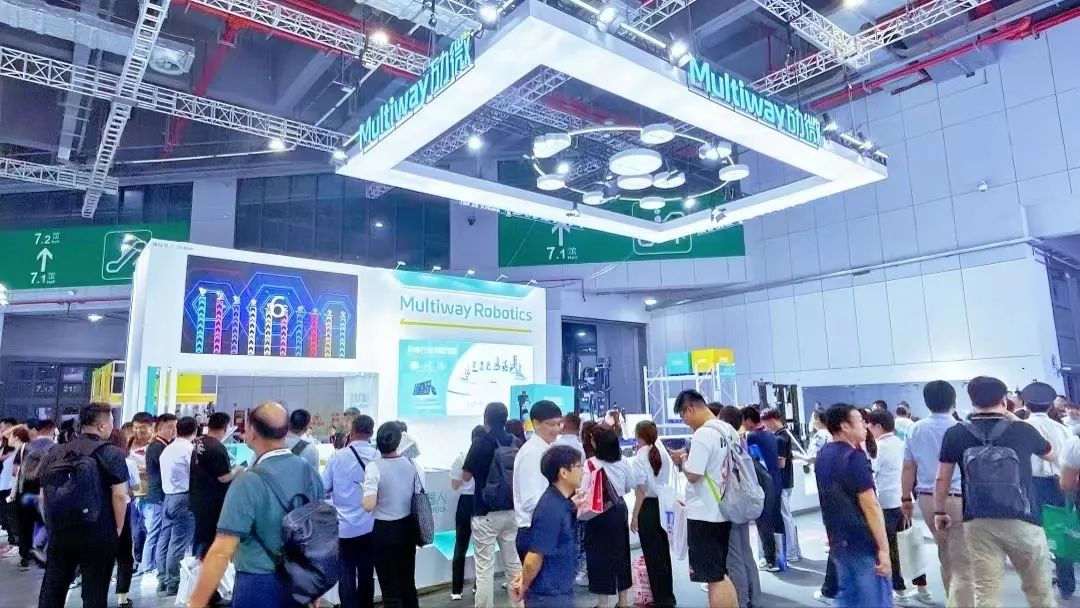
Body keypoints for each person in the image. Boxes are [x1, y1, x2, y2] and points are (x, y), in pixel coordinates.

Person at [188, 402, 324, 608]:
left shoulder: (247, 481)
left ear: (252, 432)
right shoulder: (310, 473)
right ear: (285, 431)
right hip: (299, 583)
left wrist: (197, 601)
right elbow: (316, 534)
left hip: (257, 583)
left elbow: (222, 550)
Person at [935, 376, 1056, 607]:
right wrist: (1014, 419)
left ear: (972, 401)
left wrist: (939, 511)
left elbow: (942, 477)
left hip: (977, 519)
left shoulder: (955, 433)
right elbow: (1050, 453)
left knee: (986, 591)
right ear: (1004, 400)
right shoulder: (1022, 429)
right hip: (1024, 518)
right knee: (1039, 589)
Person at [37, 403, 129, 608]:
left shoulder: (56, 452)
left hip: (61, 531)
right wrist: (118, 529)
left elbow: (43, 496)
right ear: (101, 426)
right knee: (94, 593)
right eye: (112, 422)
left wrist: (51, 524)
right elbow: (120, 495)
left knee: (53, 588)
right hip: (98, 531)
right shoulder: (112, 454)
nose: (113, 426)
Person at [898, 381, 971, 608]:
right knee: (962, 558)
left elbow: (908, 467)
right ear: (953, 401)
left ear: (926, 402)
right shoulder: (963, 428)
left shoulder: (915, 429)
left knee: (945, 553)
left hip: (927, 498)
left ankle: (953, 601)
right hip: (958, 497)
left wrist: (905, 498)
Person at [816, 404, 891, 607]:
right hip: (862, 540)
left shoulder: (823, 455)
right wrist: (884, 549)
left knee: (849, 597)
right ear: (845, 426)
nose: (865, 426)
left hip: (838, 539)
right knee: (873, 599)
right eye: (859, 421)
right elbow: (870, 506)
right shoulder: (854, 457)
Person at [671, 390, 739, 608]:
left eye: (683, 416)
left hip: (704, 514)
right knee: (720, 573)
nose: (686, 422)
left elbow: (694, 475)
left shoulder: (703, 434)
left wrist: (683, 460)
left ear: (690, 409)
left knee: (713, 578)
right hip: (723, 509)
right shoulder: (728, 430)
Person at [461, 402, 523, 608]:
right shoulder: (515, 441)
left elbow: (466, 475)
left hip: (484, 512)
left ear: (485, 418)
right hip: (512, 511)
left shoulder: (481, 442)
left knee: (484, 568)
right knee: (513, 565)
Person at [867, 410, 930, 604]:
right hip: (904, 501)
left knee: (891, 549)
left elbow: (872, 475)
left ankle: (900, 591)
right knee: (911, 546)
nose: (868, 429)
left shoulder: (879, 448)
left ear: (878, 426)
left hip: (886, 505)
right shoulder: (902, 444)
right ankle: (922, 589)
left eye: (870, 425)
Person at [1021, 381, 1076, 600]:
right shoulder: (1064, 430)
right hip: (1059, 484)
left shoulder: (1019, 428)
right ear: (1051, 405)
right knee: (1062, 531)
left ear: (1026, 404)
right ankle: (1067, 584)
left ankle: (1039, 583)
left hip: (1029, 485)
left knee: (1033, 535)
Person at [510, 445, 584, 607]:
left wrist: (572, 506)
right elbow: (534, 558)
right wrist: (524, 584)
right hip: (548, 597)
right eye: (578, 466)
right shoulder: (550, 508)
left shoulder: (560, 502)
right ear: (563, 473)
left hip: (559, 591)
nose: (582, 471)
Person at [363, 422, 423, 608]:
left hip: (384, 532)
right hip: (408, 528)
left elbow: (368, 505)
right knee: (408, 582)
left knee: (390, 590)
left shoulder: (374, 467)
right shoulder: (410, 464)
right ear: (398, 442)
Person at [323, 414, 378, 608]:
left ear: (352, 431)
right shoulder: (378, 457)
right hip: (370, 525)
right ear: (371, 432)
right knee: (366, 573)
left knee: (345, 574)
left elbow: (323, 487)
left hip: (343, 527)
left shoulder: (338, 457)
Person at [582, 425, 634, 608]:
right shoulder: (624, 461)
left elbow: (584, 490)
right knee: (622, 553)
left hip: (597, 514)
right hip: (618, 511)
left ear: (596, 444)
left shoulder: (590, 464)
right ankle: (623, 601)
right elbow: (629, 486)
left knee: (598, 556)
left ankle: (603, 603)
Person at [714, 406, 761, 608]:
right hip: (744, 503)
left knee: (734, 558)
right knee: (746, 553)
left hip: (731, 505)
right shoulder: (739, 441)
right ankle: (755, 597)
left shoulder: (724, 442)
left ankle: (742, 600)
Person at [630, 420, 676, 607]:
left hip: (647, 508)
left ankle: (661, 600)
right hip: (663, 505)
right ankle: (668, 596)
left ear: (638, 435)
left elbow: (641, 490)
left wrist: (634, 516)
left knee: (652, 555)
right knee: (663, 553)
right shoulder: (661, 452)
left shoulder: (640, 457)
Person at [514, 401, 563, 561]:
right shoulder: (533, 453)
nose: (556, 429)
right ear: (536, 423)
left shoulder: (546, 449)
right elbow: (531, 501)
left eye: (559, 424)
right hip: (535, 531)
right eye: (551, 424)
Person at [191, 412, 243, 559]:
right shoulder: (218, 448)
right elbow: (223, 477)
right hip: (212, 501)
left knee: (199, 536)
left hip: (196, 495)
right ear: (225, 428)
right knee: (208, 539)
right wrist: (238, 470)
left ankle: (195, 564)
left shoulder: (197, 442)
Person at [157, 415, 198, 596]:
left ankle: (162, 579)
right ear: (195, 431)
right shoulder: (189, 449)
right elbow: (194, 473)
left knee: (164, 540)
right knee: (178, 543)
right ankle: (173, 583)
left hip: (167, 498)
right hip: (183, 498)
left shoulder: (167, 449)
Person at [741, 406, 783, 572]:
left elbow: (753, 462)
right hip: (776, 481)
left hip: (764, 483)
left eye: (743, 421)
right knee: (775, 519)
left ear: (748, 420)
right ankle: (781, 556)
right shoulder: (769, 434)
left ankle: (770, 560)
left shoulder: (752, 436)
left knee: (764, 522)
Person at [761, 407, 803, 563]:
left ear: (772, 420)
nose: (765, 427)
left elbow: (781, 463)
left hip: (782, 482)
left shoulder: (779, 439)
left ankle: (791, 551)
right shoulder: (784, 435)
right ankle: (794, 550)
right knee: (787, 516)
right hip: (786, 480)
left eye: (765, 423)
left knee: (785, 517)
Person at [451, 425, 485, 601]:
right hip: (482, 503)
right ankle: (479, 586)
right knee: (482, 548)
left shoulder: (461, 457)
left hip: (465, 502)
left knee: (460, 546)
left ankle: (456, 590)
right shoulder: (488, 456)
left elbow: (455, 485)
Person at [141, 413, 177, 575]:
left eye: (175, 427)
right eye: (170, 427)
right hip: (157, 496)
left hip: (160, 496)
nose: (173, 430)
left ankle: (152, 565)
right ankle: (148, 567)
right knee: (155, 532)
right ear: (159, 428)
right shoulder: (158, 447)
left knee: (159, 532)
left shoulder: (163, 446)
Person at [110, 428, 140, 608]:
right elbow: (135, 486)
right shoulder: (128, 463)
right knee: (124, 556)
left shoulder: (94, 461)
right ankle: (122, 598)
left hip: (100, 511)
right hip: (123, 509)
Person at [128, 411, 154, 567]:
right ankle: (135, 562)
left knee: (150, 531)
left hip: (149, 496)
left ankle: (147, 565)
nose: (138, 431)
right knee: (134, 533)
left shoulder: (155, 446)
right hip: (131, 496)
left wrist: (142, 471)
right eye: (136, 428)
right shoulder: (129, 443)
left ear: (151, 427)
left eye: (142, 428)